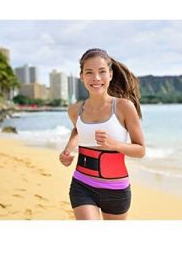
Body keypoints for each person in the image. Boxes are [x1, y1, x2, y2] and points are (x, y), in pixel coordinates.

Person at [59, 48, 145, 220]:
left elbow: (141, 150)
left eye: (102, 72)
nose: (96, 78)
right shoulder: (75, 110)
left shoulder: (123, 107)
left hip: (116, 190)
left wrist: (114, 144)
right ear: (81, 76)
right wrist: (68, 149)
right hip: (82, 185)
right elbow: (78, 129)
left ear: (111, 74)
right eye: (89, 72)